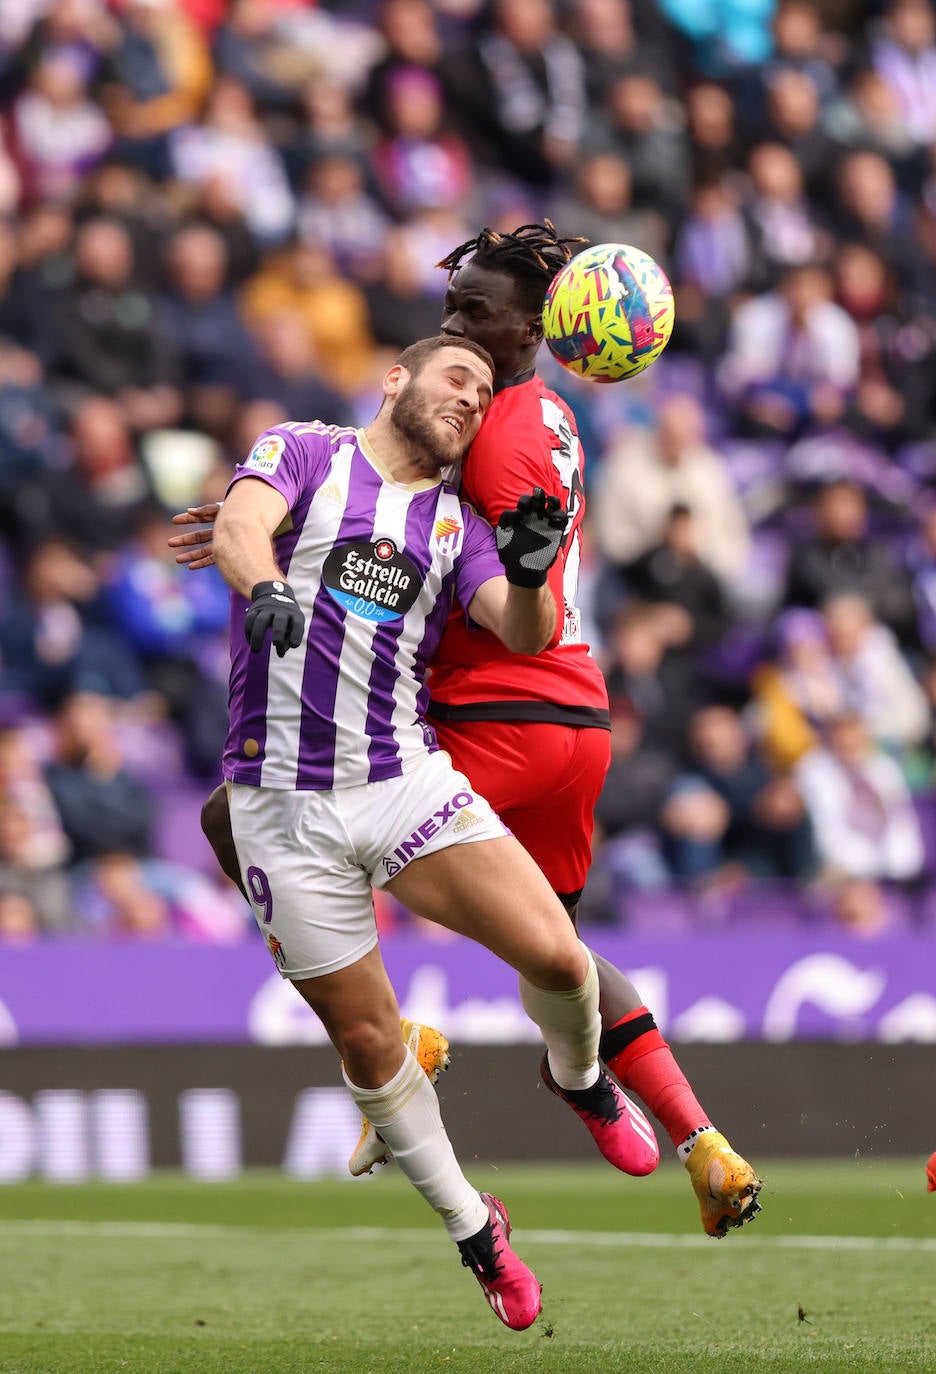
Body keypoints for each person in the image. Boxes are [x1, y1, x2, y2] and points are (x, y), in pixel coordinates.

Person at [170, 223, 762, 1239]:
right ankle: (693, 1135)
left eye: (475, 308)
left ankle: (399, 1042)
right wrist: (257, 515)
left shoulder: (484, 420)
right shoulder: (556, 419)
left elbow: (393, 496)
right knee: (556, 951)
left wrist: (270, 514)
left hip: (487, 701)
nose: (456, 323)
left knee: (255, 810)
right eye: (454, 307)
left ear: (537, 327)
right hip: (576, 713)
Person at [210, 333, 655, 1331]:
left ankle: (580, 1081)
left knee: (558, 955)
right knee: (369, 1044)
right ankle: (476, 1232)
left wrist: (537, 574)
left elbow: (520, 627)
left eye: (484, 391)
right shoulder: (306, 451)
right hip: (279, 806)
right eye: (457, 378)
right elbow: (242, 528)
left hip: (401, 781)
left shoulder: (456, 522)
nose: (470, 397)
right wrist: (268, 587)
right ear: (398, 379)